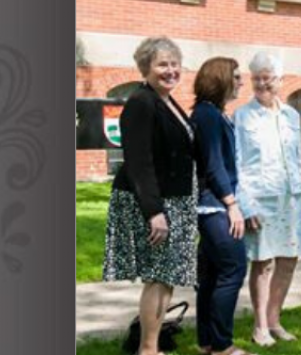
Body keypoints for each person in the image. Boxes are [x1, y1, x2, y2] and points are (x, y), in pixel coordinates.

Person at [102, 37, 198, 355]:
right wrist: (153, 211)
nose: (170, 71)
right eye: (162, 64)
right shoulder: (142, 103)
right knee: (158, 277)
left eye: (174, 64)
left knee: (166, 277)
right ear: (146, 68)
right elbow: (139, 161)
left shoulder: (166, 100)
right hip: (155, 203)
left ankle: (152, 345)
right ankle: (147, 349)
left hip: (173, 200)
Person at [235, 53, 301, 346]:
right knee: (263, 264)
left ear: (280, 80)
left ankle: (275, 319)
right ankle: (260, 326)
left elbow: (298, 159)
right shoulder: (242, 115)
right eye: (257, 78)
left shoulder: (291, 115)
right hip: (260, 198)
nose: (262, 83)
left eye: (267, 78)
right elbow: (237, 162)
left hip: (291, 198)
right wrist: (246, 203)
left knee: (288, 260)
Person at [191, 57, 254, 355]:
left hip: (214, 203)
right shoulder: (209, 115)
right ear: (222, 79)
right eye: (237, 76)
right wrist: (232, 205)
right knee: (233, 269)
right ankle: (222, 346)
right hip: (214, 205)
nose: (242, 82)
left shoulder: (211, 113)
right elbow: (214, 165)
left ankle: (207, 342)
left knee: (213, 275)